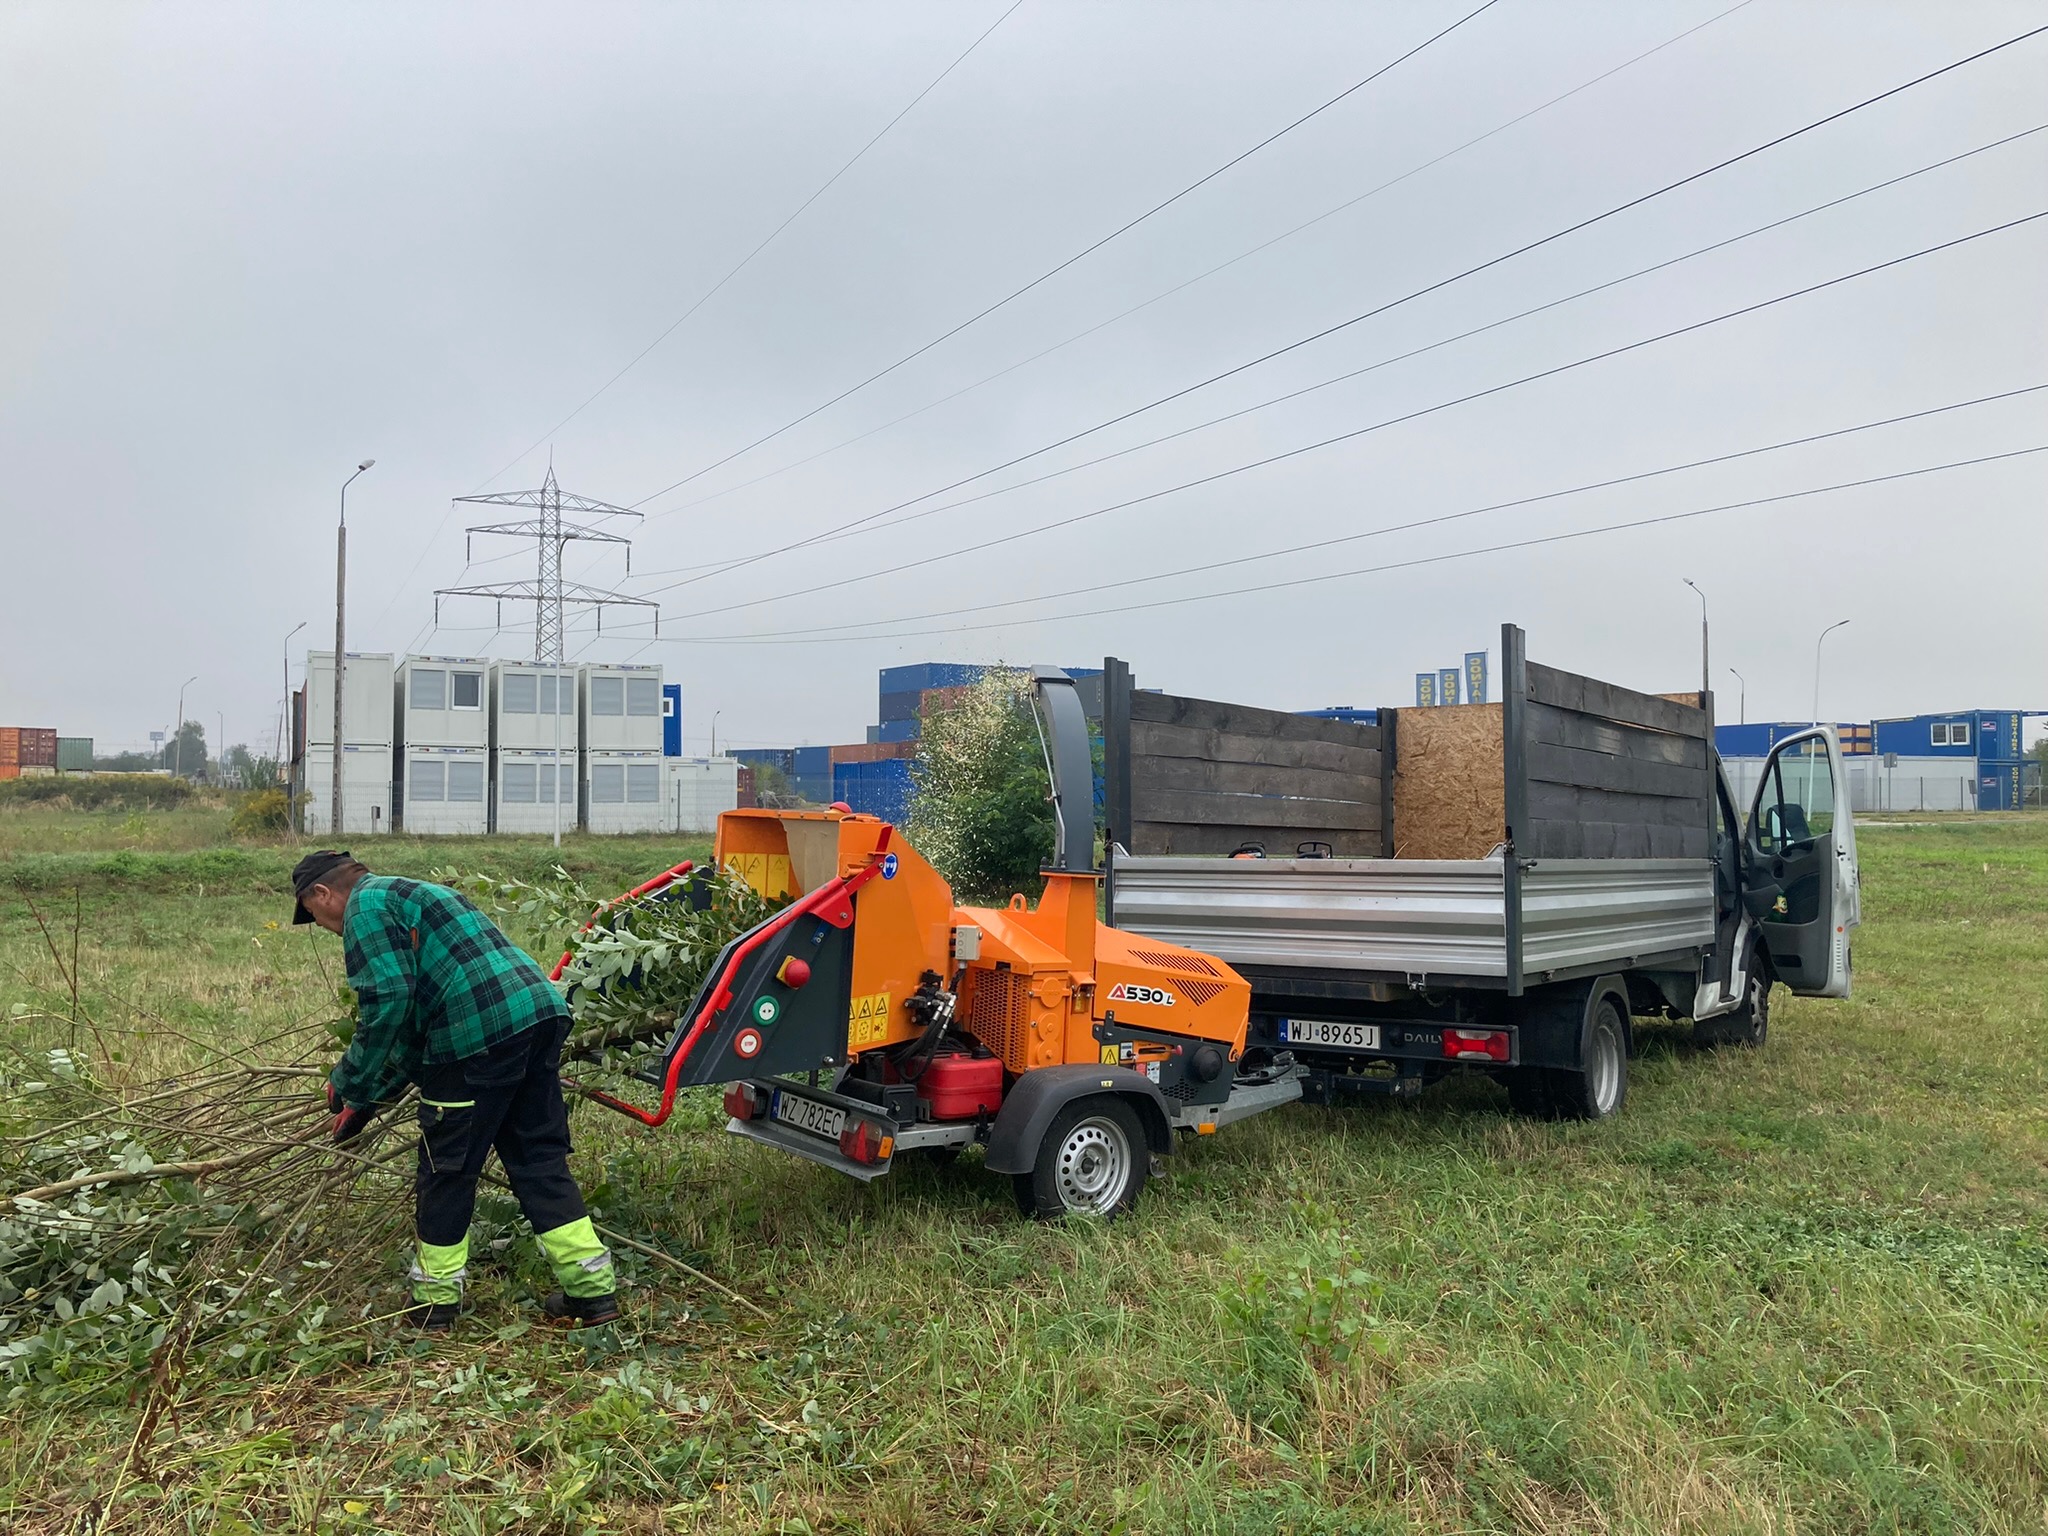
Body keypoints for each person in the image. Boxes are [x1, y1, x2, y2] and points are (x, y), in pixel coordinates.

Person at [291, 849, 618, 1333]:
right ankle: (593, 1295)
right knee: (538, 1161)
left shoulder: (365, 906)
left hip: (474, 1036)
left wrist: (347, 1081)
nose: (321, 927)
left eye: (313, 915)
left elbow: (388, 1002)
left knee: (447, 1169)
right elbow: (410, 1029)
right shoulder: (415, 892)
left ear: (322, 893)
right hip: (537, 1016)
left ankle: (434, 1305)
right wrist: (364, 1102)